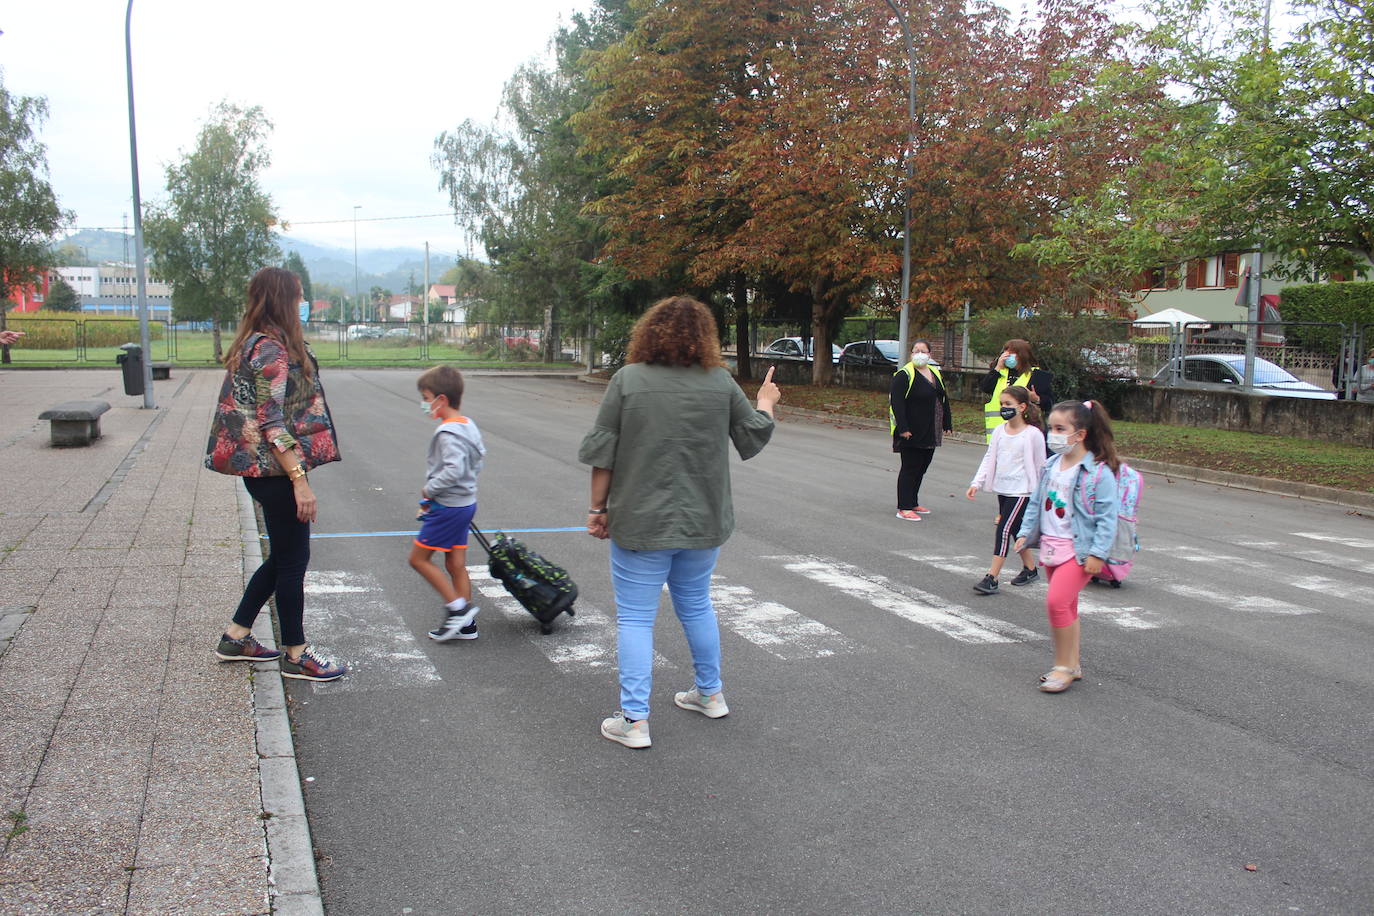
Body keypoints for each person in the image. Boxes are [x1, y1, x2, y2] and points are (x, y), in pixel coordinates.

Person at [578, 296, 779, 749]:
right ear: (705, 338)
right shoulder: (721, 382)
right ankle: (709, 694)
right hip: (704, 520)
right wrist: (766, 402)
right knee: (696, 604)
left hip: (640, 520)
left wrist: (597, 510)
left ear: (649, 331)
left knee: (634, 617)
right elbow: (753, 436)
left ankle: (634, 720)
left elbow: (603, 452)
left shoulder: (628, 380)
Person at [206, 267, 346, 682]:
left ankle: (236, 637)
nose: (302, 304)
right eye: (299, 296)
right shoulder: (270, 349)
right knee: (293, 562)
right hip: (274, 471)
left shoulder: (258, 341)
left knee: (283, 556)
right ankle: (296, 654)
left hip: (265, 469)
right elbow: (271, 423)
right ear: (284, 300)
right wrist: (299, 480)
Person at [1013, 400, 1119, 694]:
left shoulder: (1098, 473)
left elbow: (1107, 519)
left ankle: (1063, 667)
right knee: (1067, 606)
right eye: (1050, 428)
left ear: (1080, 434)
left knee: (1056, 603)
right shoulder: (1050, 465)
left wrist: (1098, 554)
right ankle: (1073, 663)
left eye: (1060, 429)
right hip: (1051, 546)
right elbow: (1035, 503)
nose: (1053, 434)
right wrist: (1024, 533)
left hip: (1079, 550)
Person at [408, 365, 486, 642]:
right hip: (465, 503)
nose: (424, 404)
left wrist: (430, 490)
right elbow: (477, 460)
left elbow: (453, 469)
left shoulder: (447, 432)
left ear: (441, 399)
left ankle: (457, 610)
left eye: (427, 398)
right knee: (455, 564)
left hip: (448, 506)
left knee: (418, 559)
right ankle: (466, 626)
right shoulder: (468, 425)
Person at [965, 386, 1046, 595]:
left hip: (1022, 491)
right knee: (1015, 530)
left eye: (1008, 404)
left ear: (1022, 406)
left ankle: (992, 577)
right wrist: (977, 482)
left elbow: (1041, 465)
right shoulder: (1000, 430)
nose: (1004, 408)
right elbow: (989, 457)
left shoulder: (1033, 434)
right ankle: (1030, 569)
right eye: (1002, 404)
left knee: (1003, 529)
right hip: (1003, 487)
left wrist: (1040, 494)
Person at [889, 338, 951, 520]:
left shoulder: (934, 373)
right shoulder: (904, 375)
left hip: (931, 429)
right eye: (915, 351)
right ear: (911, 354)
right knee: (910, 467)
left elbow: (943, 398)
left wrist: (947, 422)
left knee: (922, 467)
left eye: (923, 351)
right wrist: (903, 428)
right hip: (911, 430)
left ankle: (913, 501)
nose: (919, 354)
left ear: (930, 355)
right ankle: (904, 507)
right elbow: (897, 403)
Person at [979, 338, 1054, 442]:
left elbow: (1048, 403)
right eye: (1006, 352)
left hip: (1023, 433)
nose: (1007, 356)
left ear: (1022, 355)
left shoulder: (1036, 375)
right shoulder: (1000, 373)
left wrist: (1036, 398)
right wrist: (997, 368)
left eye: (1012, 353)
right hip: (998, 433)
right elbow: (985, 388)